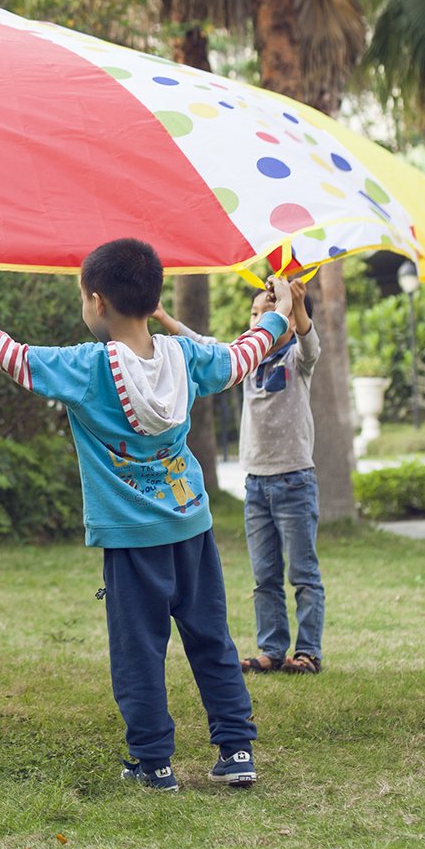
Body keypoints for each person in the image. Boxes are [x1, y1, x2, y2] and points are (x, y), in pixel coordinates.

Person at [0, 239, 292, 791]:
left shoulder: (87, 368)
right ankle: (236, 751)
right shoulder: (186, 357)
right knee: (211, 638)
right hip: (191, 529)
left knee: (138, 651)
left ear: (97, 301)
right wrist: (281, 313)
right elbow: (245, 355)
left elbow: (11, 356)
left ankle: (154, 762)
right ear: (153, 298)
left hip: (130, 540)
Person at [155, 279, 324, 676]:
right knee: (264, 575)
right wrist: (163, 317)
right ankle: (272, 648)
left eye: (266, 314)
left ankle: (308, 651)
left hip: (295, 481)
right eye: (253, 315)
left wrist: (294, 305)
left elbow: (309, 340)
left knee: (302, 573)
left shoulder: (298, 360)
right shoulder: (246, 362)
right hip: (256, 484)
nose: (256, 322)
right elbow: (204, 344)